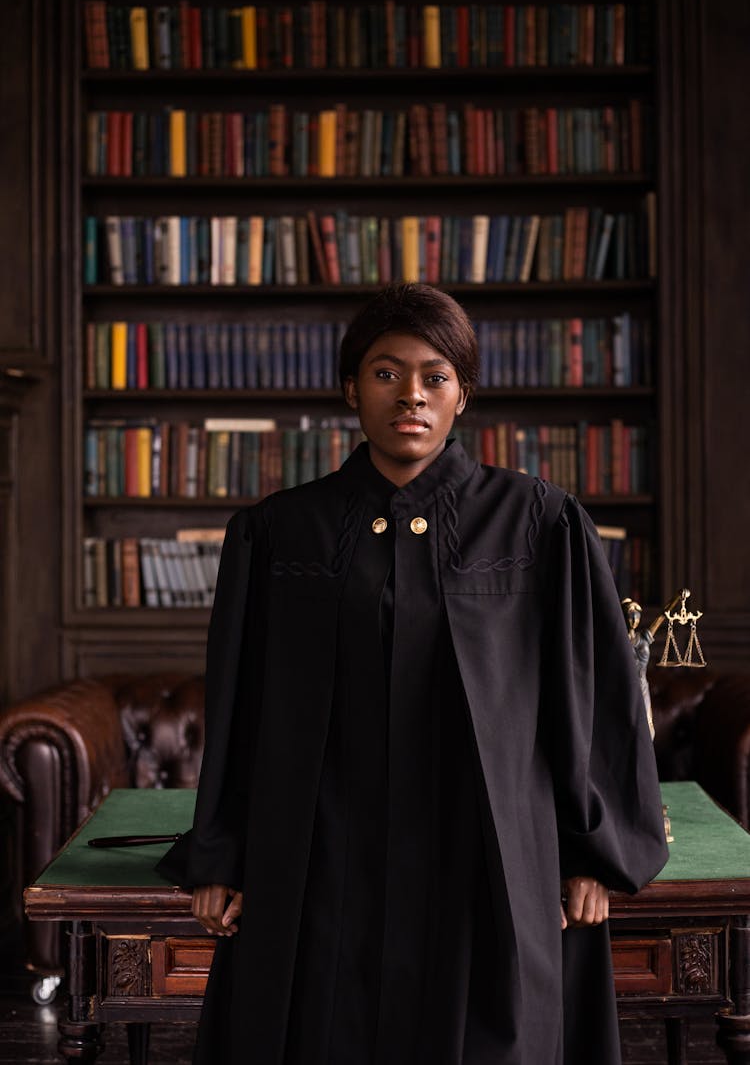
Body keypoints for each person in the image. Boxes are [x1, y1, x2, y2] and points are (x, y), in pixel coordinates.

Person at [157, 283, 668, 1065]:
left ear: (464, 393)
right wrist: (222, 855)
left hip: (488, 856)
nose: (411, 397)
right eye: (386, 373)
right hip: (325, 857)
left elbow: (593, 699)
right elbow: (242, 705)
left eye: (435, 376)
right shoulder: (279, 532)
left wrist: (592, 854)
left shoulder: (538, 521)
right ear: (349, 389)